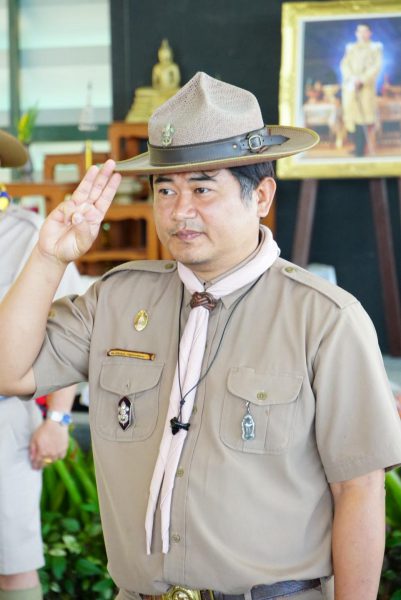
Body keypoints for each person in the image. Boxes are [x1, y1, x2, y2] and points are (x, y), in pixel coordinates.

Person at [0, 72, 401, 600]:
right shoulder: (116, 300)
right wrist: (50, 257)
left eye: (203, 188)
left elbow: (359, 490)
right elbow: (9, 372)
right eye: (165, 189)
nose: (179, 210)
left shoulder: (324, 319)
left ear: (261, 195)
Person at [0, 131, 81, 600]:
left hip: (6, 419)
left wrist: (58, 420)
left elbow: (67, 337)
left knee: (12, 564)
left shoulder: (33, 236)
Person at [340, 23, 383, 156]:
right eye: (359, 32)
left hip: (365, 88)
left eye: (365, 31)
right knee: (351, 118)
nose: (362, 34)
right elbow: (344, 64)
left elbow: (376, 66)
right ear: (356, 34)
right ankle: (357, 147)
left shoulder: (375, 48)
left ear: (370, 33)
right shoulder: (350, 48)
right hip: (351, 87)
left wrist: (362, 79)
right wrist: (351, 78)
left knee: (363, 118)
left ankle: (361, 150)